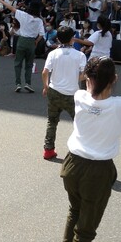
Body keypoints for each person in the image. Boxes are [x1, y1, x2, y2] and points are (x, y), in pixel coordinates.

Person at [54, 57, 121, 242]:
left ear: (87, 78)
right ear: (114, 79)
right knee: (86, 230)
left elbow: (88, 91)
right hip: (98, 171)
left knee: (74, 210)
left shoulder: (79, 97)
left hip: (72, 164)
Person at [41, 26, 87, 160]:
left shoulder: (53, 53)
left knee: (52, 121)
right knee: (78, 122)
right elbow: (84, 74)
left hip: (54, 91)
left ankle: (48, 150)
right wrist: (74, 78)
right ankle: (80, 150)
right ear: (72, 39)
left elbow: (45, 72)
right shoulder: (80, 55)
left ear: (58, 39)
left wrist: (45, 86)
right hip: (72, 94)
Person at [0, 0, 44, 92]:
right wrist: (36, 41)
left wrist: (0, 0)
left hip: (22, 40)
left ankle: (18, 83)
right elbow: (41, 34)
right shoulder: (39, 21)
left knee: (18, 63)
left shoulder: (23, 15)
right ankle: (28, 83)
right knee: (29, 64)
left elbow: (11, 8)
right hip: (32, 42)